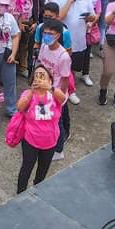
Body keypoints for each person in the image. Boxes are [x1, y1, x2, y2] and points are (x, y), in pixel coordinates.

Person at [14, 64, 66, 193]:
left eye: (43, 76)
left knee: (42, 172)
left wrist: (50, 88)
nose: (40, 79)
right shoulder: (28, 94)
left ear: (49, 80)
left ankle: (38, 192)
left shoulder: (54, 94)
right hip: (30, 141)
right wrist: (32, 91)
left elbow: (63, 99)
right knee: (26, 169)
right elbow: (20, 107)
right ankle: (20, 194)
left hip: (50, 142)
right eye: (37, 76)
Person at [36, 19, 72, 160]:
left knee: (57, 123)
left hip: (55, 93)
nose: (46, 36)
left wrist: (60, 98)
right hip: (43, 91)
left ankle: (58, 150)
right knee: (44, 119)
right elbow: (41, 65)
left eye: (50, 33)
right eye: (44, 32)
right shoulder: (44, 47)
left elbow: (64, 79)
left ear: (58, 35)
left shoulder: (63, 57)